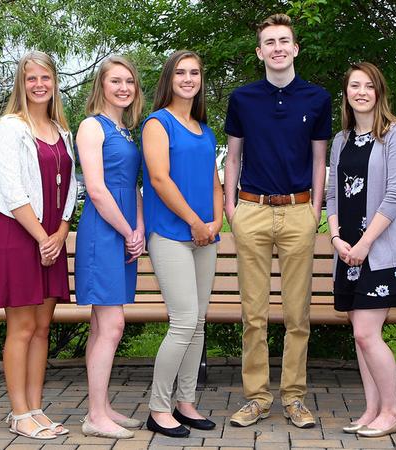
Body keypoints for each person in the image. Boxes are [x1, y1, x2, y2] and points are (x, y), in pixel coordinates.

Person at [223, 13, 332, 429]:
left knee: (296, 314)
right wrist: (232, 209)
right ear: (259, 52)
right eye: (269, 42)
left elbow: (320, 159)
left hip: (298, 212)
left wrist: (314, 209)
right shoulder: (242, 98)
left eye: (284, 41)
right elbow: (233, 155)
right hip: (250, 210)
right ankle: (256, 398)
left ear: (295, 48)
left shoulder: (317, 98)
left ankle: (294, 397)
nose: (278, 48)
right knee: (253, 313)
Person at [0, 51, 78, 440]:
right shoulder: (9, 127)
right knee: (21, 328)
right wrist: (42, 237)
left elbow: (72, 187)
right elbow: (13, 188)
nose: (39, 85)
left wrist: (60, 233)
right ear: (20, 85)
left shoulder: (61, 129)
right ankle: (18, 414)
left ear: (55, 82)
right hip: (19, 235)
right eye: (30, 79)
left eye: (45, 78)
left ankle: (36, 408)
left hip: (51, 238)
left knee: (42, 328)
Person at [326, 62, 396, 438]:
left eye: (368, 86)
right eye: (353, 86)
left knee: (366, 332)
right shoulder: (341, 139)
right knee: (360, 330)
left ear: (379, 92)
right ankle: (371, 409)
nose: (360, 92)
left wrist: (364, 243)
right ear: (346, 93)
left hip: (380, 251)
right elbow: (332, 194)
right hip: (347, 251)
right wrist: (335, 239)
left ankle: (392, 411)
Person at [141, 50, 222, 438]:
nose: (188, 78)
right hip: (172, 233)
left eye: (195, 73)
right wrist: (194, 221)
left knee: (199, 323)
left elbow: (215, 181)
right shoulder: (158, 123)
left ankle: (185, 403)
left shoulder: (205, 129)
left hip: (206, 235)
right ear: (169, 79)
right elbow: (159, 180)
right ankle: (158, 408)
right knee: (184, 321)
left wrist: (216, 221)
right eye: (181, 73)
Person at [74, 55, 145, 439]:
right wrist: (126, 229)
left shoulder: (126, 130)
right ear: (100, 85)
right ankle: (95, 416)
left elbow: (132, 184)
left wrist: (140, 228)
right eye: (116, 81)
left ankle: (100, 408)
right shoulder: (91, 127)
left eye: (129, 82)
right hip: (103, 232)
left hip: (124, 230)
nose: (123, 88)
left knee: (103, 326)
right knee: (112, 325)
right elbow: (97, 190)